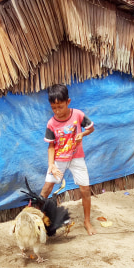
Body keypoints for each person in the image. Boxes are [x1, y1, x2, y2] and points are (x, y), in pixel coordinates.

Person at [41, 84, 96, 235]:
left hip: (77, 157)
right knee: (46, 190)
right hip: (58, 160)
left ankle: (87, 221)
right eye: (54, 108)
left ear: (68, 101)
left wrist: (82, 134)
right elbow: (51, 146)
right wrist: (51, 165)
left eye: (60, 106)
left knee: (85, 189)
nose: (57, 111)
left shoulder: (77, 115)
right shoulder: (51, 123)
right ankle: (37, 220)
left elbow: (91, 128)